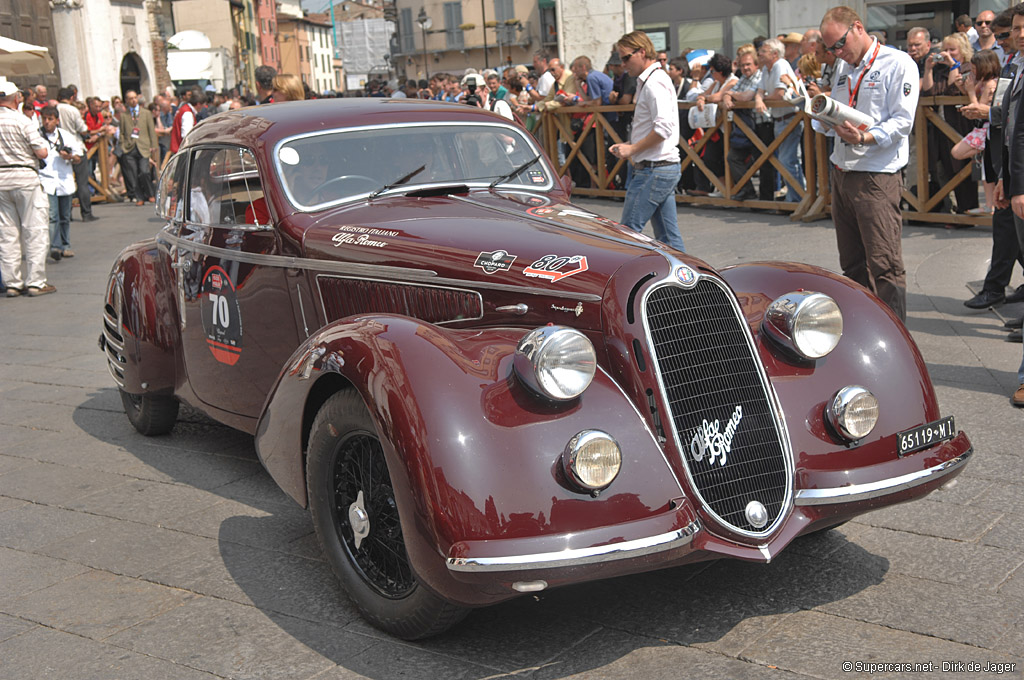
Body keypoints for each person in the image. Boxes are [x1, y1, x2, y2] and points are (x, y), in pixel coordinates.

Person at [816, 6, 919, 322]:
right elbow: (837, 114)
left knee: (884, 263)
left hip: (876, 175)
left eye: (839, 44)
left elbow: (902, 121)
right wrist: (816, 111)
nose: (836, 52)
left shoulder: (898, 63)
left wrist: (865, 138)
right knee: (851, 262)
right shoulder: (843, 67)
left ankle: (897, 335)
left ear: (857, 28)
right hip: (842, 172)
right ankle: (864, 325)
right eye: (830, 47)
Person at [609, 30, 685, 252]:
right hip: (658, 167)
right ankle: (690, 283)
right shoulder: (651, 80)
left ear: (641, 52)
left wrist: (632, 148)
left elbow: (663, 129)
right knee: (669, 240)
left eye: (626, 58)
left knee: (627, 234)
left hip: (655, 168)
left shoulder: (654, 82)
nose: (623, 64)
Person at [0, 83, 53, 297]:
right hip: (25, 178)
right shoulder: (22, 120)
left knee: (7, 233)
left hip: (2, 179)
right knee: (35, 229)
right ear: (15, 98)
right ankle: (36, 281)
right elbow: (41, 152)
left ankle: (12, 282)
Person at [923, 32, 979, 214]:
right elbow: (929, 91)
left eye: (952, 49)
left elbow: (954, 88)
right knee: (943, 169)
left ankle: (967, 210)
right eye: (944, 50)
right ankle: (952, 209)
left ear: (962, 50)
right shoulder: (939, 70)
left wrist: (953, 65)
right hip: (940, 128)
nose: (947, 53)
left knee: (962, 169)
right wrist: (928, 69)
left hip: (960, 125)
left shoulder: (969, 68)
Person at [754, 38, 804, 202]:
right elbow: (760, 91)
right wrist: (759, 99)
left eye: (764, 51)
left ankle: (797, 198)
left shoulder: (779, 65)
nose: (760, 54)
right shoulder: (766, 69)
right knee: (788, 160)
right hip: (779, 119)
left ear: (774, 54)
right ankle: (797, 197)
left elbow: (779, 94)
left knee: (787, 160)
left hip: (790, 118)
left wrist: (762, 99)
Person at [1004, 4, 1024, 401]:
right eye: (1017, 28)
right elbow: (1011, 131)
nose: (1020, 33)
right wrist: (1007, 181)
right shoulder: (1016, 66)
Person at [724, 45, 775, 201]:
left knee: (764, 161)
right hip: (746, 127)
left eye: (748, 64)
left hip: (762, 124)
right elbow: (729, 93)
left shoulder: (760, 76)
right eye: (742, 65)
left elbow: (747, 96)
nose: (745, 68)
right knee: (733, 157)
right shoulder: (743, 79)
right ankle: (747, 190)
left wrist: (731, 94)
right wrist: (727, 95)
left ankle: (766, 199)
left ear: (756, 65)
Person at [38, 105, 83, 261]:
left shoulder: (66, 136)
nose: (47, 122)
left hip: (64, 180)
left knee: (65, 216)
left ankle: (66, 245)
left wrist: (69, 157)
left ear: (57, 120)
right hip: (46, 181)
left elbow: (78, 157)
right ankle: (54, 246)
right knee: (52, 216)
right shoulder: (37, 136)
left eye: (50, 119)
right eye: (44, 119)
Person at [55, 87, 95, 222]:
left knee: (64, 180)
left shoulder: (55, 109)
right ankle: (86, 213)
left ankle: (67, 213)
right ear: (71, 97)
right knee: (82, 182)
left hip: (60, 147)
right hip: (75, 146)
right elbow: (82, 129)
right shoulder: (72, 110)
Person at [118, 90, 159, 206]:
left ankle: (150, 193)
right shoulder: (124, 116)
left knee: (144, 171)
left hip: (143, 147)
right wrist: (123, 145)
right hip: (129, 147)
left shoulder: (146, 113)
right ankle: (139, 196)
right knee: (133, 174)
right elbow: (121, 132)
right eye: (130, 98)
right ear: (126, 101)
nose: (133, 100)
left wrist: (153, 145)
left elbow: (151, 130)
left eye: (135, 97)